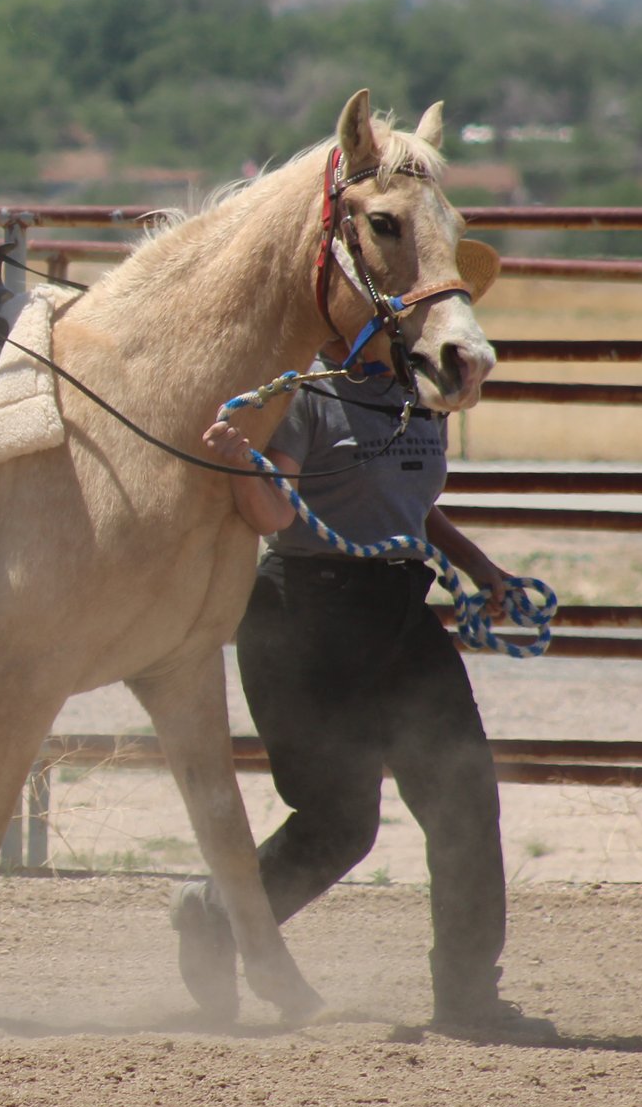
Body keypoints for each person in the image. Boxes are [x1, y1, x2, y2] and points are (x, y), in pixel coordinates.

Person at [175, 240, 554, 1039]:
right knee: (340, 821)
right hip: (305, 616)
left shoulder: (422, 397)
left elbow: (404, 501)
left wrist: (475, 564)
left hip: (395, 606)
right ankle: (217, 916)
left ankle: (468, 998)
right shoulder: (308, 397)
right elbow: (278, 517)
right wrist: (246, 464)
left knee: (463, 798)